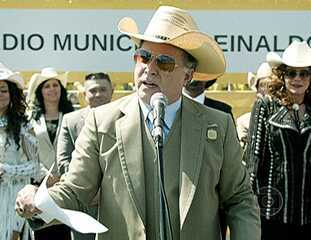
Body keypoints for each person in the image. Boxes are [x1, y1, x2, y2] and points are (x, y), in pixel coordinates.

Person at [16, 6, 260, 240]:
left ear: (187, 75)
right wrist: (39, 202)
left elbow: (239, 198)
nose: (149, 69)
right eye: (143, 57)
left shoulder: (217, 125)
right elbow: (75, 190)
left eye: (164, 62)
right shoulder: (102, 122)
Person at [245, 40, 311, 240]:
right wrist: (247, 209)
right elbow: (252, 161)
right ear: (282, 75)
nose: (297, 78)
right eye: (291, 72)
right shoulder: (266, 106)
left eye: (304, 73)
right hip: (272, 214)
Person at [57, 72, 113, 240]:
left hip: (119, 204)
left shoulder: (127, 118)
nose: (98, 94)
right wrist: (87, 187)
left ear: (112, 91)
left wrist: (105, 191)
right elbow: (63, 161)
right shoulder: (70, 120)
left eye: (103, 89)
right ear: (84, 94)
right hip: (83, 205)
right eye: (93, 90)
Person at [183, 78, 234, 239]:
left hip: (213, 196)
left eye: (201, 76)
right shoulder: (168, 108)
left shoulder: (223, 111)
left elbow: (231, 157)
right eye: (192, 75)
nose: (196, 80)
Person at [27, 67, 74, 239]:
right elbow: (28, 152)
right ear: (41, 91)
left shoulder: (72, 116)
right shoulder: (30, 119)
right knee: (42, 231)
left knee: (65, 230)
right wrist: (45, 174)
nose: (52, 89)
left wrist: (63, 176)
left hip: (66, 184)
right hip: (39, 184)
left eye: (56, 85)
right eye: (47, 86)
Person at [0, 63, 42, 240]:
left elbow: (36, 166)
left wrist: (6, 170)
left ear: (11, 94)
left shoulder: (24, 126)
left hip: (12, 198)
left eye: (3, 90)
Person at [236, 62, 272, 149]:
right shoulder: (244, 121)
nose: (266, 90)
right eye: (262, 85)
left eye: (270, 86)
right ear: (257, 90)